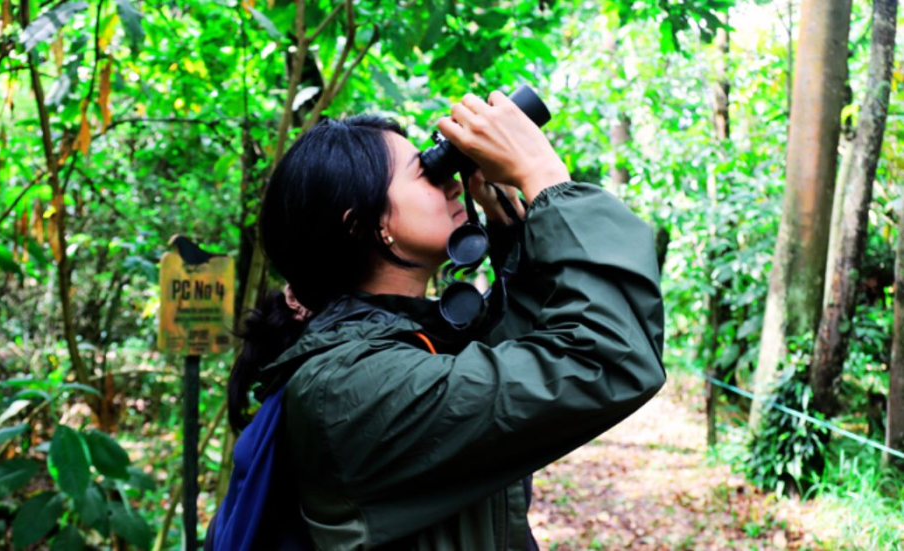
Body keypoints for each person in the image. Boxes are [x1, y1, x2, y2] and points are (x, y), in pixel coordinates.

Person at [226, 91, 666, 549]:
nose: (452, 183)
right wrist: (544, 174)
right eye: (426, 172)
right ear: (365, 226)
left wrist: (514, 230)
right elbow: (605, 358)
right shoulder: (350, 384)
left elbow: (524, 349)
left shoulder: (407, 344)